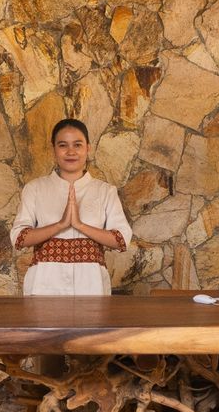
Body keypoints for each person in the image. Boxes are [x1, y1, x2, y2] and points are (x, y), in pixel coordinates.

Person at [10, 119, 133, 296]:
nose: (70, 152)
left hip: (92, 286)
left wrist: (80, 225)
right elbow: (18, 238)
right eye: (63, 145)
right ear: (53, 150)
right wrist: (61, 225)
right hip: (44, 285)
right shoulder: (35, 189)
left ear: (88, 148)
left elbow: (122, 239)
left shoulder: (105, 191)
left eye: (77, 145)